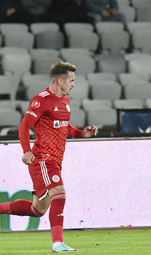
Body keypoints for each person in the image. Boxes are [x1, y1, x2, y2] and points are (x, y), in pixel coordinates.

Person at [0, 61, 98, 253]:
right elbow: (24, 126)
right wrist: (26, 150)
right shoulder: (41, 100)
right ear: (59, 80)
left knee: (38, 209)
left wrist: (80, 133)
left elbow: (63, 126)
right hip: (43, 159)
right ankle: (57, 243)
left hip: (56, 160)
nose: (73, 84)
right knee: (60, 194)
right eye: (71, 80)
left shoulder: (65, 102)